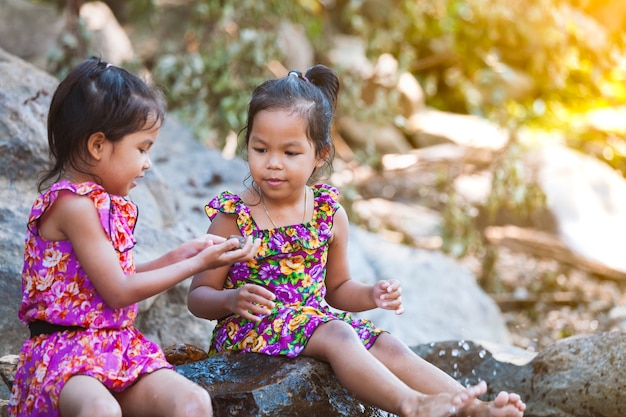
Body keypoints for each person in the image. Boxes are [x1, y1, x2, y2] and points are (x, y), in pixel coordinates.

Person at [187, 64, 526, 417]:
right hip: (252, 331)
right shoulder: (233, 216)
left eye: (290, 153)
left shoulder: (327, 213)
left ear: (320, 155)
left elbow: (337, 289)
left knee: (387, 344)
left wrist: (371, 294)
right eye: (260, 149)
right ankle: (411, 403)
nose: (273, 164)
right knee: (340, 335)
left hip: (312, 322)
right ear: (248, 145)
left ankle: (474, 408)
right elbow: (198, 298)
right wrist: (230, 299)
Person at [8, 56, 260, 417]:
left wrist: (180, 255)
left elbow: (115, 276)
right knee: (100, 410)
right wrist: (195, 265)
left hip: (114, 348)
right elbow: (119, 291)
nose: (147, 162)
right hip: (63, 354)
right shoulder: (72, 205)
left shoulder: (100, 204)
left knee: (193, 402)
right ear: (98, 146)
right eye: (142, 148)